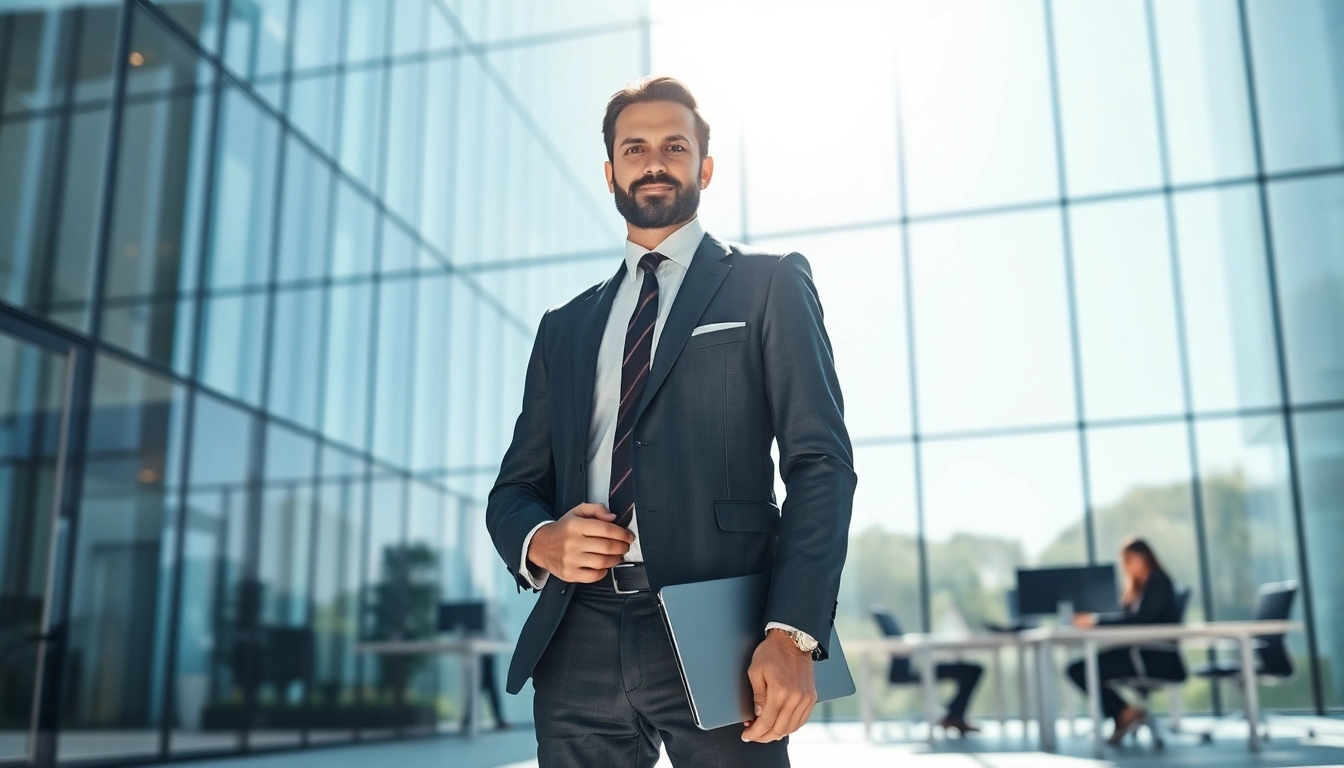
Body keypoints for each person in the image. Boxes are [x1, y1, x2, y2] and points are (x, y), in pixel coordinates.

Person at [486, 75, 856, 767]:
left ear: (703, 168)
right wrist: (542, 541)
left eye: (674, 147)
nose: (653, 162)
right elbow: (514, 491)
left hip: (724, 629)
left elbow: (821, 465)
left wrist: (794, 632)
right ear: (610, 172)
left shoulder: (769, 283)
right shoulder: (564, 327)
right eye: (634, 148)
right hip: (578, 633)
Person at [1066, 537, 1185, 745]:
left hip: (1152, 658)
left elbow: (1140, 620)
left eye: (1129, 560)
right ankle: (1123, 712)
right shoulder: (1139, 589)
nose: (1126, 566)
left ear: (1144, 557)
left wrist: (1096, 621)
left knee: (1081, 670)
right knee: (1079, 668)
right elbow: (1129, 618)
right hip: (1139, 653)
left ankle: (1123, 712)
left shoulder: (1157, 582)